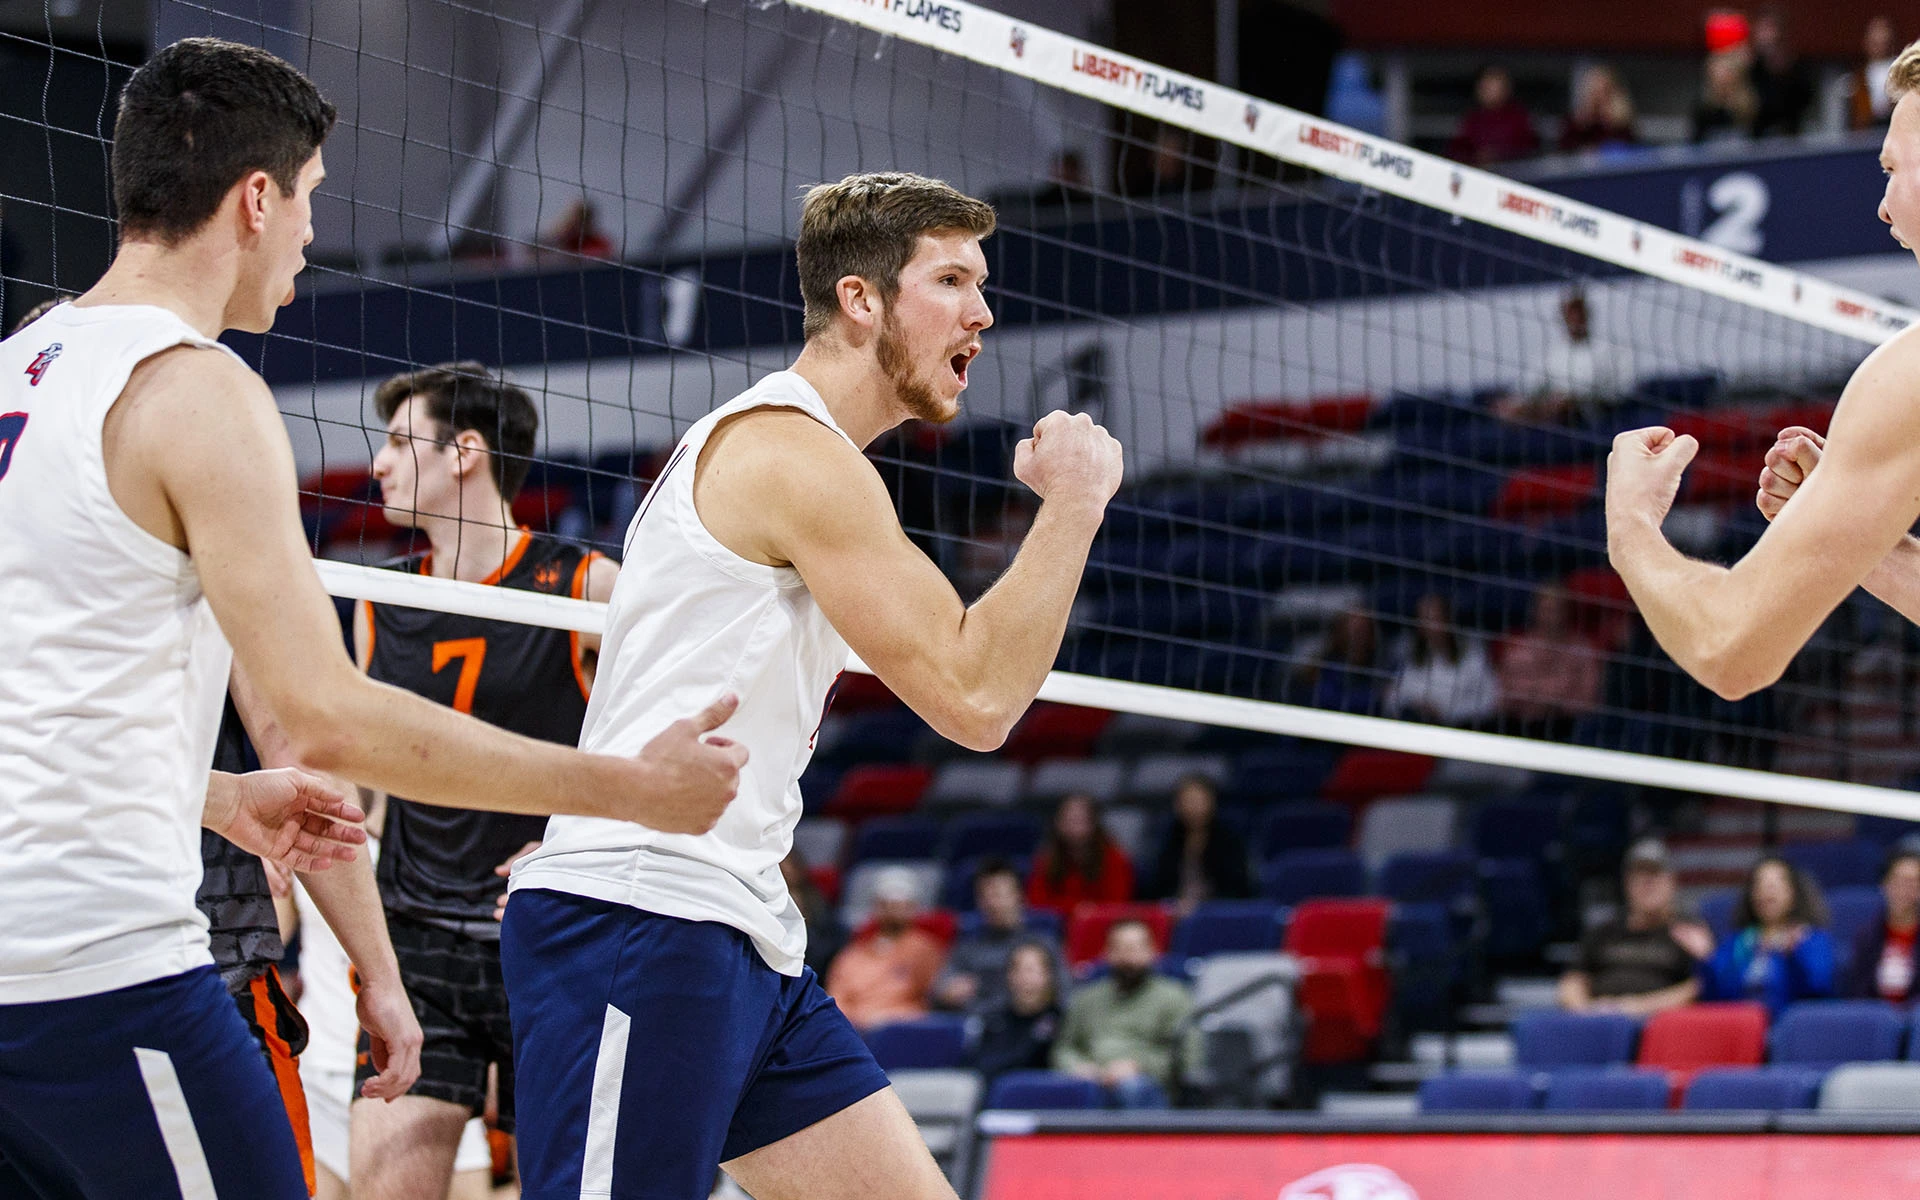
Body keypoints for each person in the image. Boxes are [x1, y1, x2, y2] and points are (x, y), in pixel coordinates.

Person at [0, 38, 741, 1198]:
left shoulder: (18, 364)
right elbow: (327, 719)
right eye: (309, 201)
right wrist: (635, 791)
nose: (307, 233)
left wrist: (216, 796)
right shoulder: (194, 389)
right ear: (255, 198)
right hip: (91, 981)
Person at [501, 171, 1123, 1200]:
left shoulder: (810, 463)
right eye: (954, 279)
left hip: (736, 931)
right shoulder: (794, 456)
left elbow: (970, 672)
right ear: (862, 300)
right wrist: (1076, 503)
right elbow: (976, 699)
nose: (984, 311)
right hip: (642, 920)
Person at [348, 362, 619, 1200]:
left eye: (399, 442)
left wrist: (578, 838)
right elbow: (365, 782)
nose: (378, 465)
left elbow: (674, 755)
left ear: (466, 450)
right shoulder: (374, 594)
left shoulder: (586, 586)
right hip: (418, 945)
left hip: (548, 943)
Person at [1617, 46, 1920, 733]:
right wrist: (1850, 537)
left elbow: (1730, 650)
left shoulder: (1907, 376)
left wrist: (1628, 524)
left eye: (1893, 170)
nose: (1882, 206)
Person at [1557, 839, 1713, 1017]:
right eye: (1640, 875)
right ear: (1626, 883)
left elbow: (1700, 988)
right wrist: (1586, 1012)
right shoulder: (1603, 930)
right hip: (1598, 1022)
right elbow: (1572, 981)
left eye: (1655, 874)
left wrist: (1634, 1008)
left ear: (1672, 882)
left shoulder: (1689, 931)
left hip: (1661, 1026)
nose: (1647, 883)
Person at [1052, 919, 1191, 1109]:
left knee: (1131, 1088)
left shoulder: (1173, 997)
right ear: (1107, 953)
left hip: (1147, 1084)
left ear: (1152, 952)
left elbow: (1183, 1058)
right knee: (1067, 1088)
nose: (1128, 957)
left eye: (1135, 948)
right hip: (1092, 1078)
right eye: (1121, 948)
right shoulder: (1086, 998)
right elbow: (1064, 1048)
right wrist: (1078, 1067)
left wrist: (1138, 1066)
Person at [1699, 856, 1837, 1017]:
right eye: (1759, 885)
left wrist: (1795, 956)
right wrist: (1707, 957)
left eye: (1774, 886)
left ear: (1793, 893)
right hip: (1743, 1026)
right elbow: (1717, 996)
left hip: (1790, 1027)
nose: (1766, 892)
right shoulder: (1740, 941)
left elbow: (1820, 988)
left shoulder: (1810, 938)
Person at [933, 857, 1065, 1011]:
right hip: (980, 1027)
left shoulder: (1043, 945)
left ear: (1018, 896)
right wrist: (948, 993)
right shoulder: (967, 949)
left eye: (1000, 894)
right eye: (985, 896)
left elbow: (1065, 994)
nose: (993, 903)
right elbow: (938, 991)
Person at [825, 867, 948, 1030]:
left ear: (913, 908)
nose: (893, 911)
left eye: (900, 905)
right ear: (876, 907)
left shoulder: (924, 950)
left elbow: (934, 995)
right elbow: (836, 999)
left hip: (902, 1031)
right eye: (886, 905)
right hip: (854, 1030)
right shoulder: (852, 954)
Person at [1496, 586, 1605, 740]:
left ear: (1567, 611)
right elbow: (1504, 696)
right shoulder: (1518, 649)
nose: (1551, 616)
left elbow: (1588, 700)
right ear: (1536, 610)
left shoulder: (1582, 650)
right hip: (1520, 727)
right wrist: (1554, 690)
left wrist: (1544, 696)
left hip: (1569, 727)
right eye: (1546, 609)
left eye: (1556, 609)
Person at [1140, 775, 1253, 917]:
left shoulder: (1229, 840)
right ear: (1177, 805)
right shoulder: (1167, 839)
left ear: (1211, 802)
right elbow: (1156, 887)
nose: (1193, 807)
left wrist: (1204, 905)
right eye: (1187, 800)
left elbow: (1238, 887)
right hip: (1174, 913)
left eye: (1198, 800)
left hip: (1219, 913)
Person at [1385, 593, 1501, 728]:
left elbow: (1490, 700)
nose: (1428, 626)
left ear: (1448, 619)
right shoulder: (1408, 654)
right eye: (1422, 619)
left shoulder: (1472, 654)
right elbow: (1391, 698)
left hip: (1460, 730)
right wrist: (1414, 705)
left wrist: (1444, 713)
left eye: (1434, 619)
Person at [967, 940, 1064, 1084]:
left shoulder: (1062, 1020)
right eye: (1017, 970)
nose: (1024, 978)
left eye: (1031, 970)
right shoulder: (993, 1020)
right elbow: (977, 1062)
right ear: (1009, 976)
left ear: (1048, 976)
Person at [1027, 793, 1136, 912]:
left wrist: (1086, 912)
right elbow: (1037, 903)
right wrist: (1078, 908)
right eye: (1068, 819)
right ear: (1058, 823)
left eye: (1080, 820)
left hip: (1102, 923)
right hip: (1058, 924)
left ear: (1093, 823)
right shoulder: (1046, 858)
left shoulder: (1115, 858)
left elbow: (1117, 904)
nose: (1073, 826)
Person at [1844, 849, 1920, 1001]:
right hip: (1874, 1018)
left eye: (1913, 883)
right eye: (1898, 881)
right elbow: (1858, 991)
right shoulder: (1867, 936)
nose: (1904, 890)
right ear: (1884, 884)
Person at [1448, 65, 1539, 167]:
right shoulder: (1471, 118)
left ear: (1506, 88)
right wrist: (1476, 158)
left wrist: (1498, 156)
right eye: (1486, 85)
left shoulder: (1520, 118)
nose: (1489, 90)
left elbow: (1529, 152)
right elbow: (1457, 151)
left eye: (1495, 85)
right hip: (1476, 174)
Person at [1748, 8, 1815, 138]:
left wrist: (1783, 73)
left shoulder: (1795, 66)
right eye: (1761, 29)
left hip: (1791, 138)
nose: (1765, 35)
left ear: (1781, 32)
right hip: (1755, 142)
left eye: (1769, 28)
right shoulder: (1750, 67)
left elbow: (1804, 102)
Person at [1559, 65, 1637, 154]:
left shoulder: (1621, 120)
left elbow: (1628, 147)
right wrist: (1583, 123)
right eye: (1594, 90)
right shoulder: (1577, 119)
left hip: (1614, 165)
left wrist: (1610, 121)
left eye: (1604, 91)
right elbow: (1565, 148)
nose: (1599, 96)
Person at [1693, 46, 1759, 144]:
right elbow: (1695, 145)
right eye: (1717, 78)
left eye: (1727, 76)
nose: (1722, 81)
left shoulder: (1753, 107)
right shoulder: (1704, 109)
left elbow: (1761, 143)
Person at [1848, 17, 1901, 131]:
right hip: (1867, 137)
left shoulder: (1902, 72)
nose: (1880, 41)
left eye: (1883, 37)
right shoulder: (1858, 78)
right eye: (1875, 40)